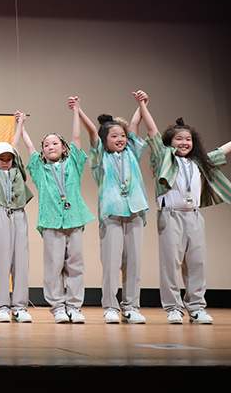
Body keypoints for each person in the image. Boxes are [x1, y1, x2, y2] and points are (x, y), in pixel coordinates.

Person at [136, 90, 231, 324]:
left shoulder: (198, 162)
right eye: (179, 139)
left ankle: (196, 307)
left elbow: (220, 152)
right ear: (170, 142)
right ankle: (173, 308)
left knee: (197, 263)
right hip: (171, 215)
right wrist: (143, 105)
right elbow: (152, 131)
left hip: (193, 216)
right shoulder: (164, 157)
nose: (184, 143)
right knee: (170, 264)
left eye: (188, 139)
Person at [18, 99, 94, 324]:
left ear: (63, 148)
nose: (50, 147)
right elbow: (29, 148)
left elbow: (77, 138)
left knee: (76, 265)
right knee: (53, 266)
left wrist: (76, 111)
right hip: (51, 222)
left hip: (74, 219)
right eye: (46, 145)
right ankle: (58, 307)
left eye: (55, 143)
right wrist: (21, 125)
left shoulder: (73, 164)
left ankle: (74, 307)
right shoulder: (39, 169)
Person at [77, 99, 149, 324]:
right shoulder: (99, 157)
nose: (120, 139)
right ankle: (110, 307)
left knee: (133, 263)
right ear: (104, 140)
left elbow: (135, 124)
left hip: (135, 211)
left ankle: (131, 307)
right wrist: (79, 110)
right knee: (111, 263)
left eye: (122, 135)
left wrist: (141, 104)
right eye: (114, 136)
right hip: (111, 214)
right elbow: (91, 132)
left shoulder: (132, 152)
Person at [0, 114, 34, 323]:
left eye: (8, 159)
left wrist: (19, 123)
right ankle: (2, 307)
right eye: (0, 159)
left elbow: (16, 146)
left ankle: (20, 307)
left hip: (19, 214)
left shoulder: (17, 171)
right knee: (1, 262)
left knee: (21, 262)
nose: (5, 162)